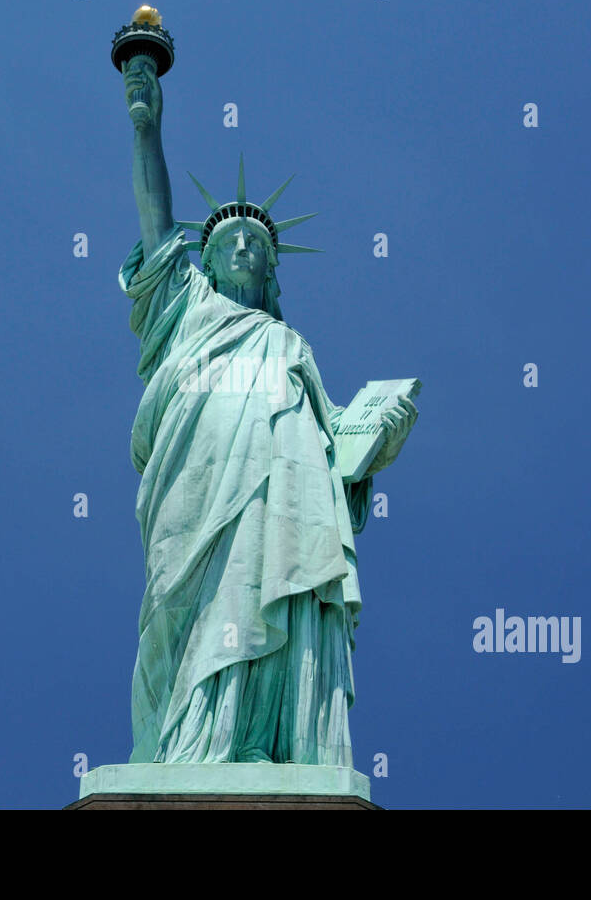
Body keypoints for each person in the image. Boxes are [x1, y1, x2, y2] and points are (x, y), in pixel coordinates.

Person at [119, 53, 416, 766]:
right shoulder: (187, 309)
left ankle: (267, 742)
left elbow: (334, 450)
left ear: (271, 271)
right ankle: (193, 745)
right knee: (191, 604)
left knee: (278, 578)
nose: (245, 248)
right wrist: (146, 132)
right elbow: (159, 229)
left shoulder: (289, 344)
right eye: (228, 243)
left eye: (256, 244)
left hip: (286, 488)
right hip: (197, 484)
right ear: (210, 264)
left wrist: (372, 439)